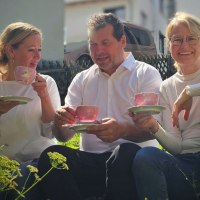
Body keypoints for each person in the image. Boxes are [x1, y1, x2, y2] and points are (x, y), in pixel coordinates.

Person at [37, 13, 162, 200]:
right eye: (93, 44)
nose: (98, 50)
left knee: (125, 151)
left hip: (129, 161)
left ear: (122, 41)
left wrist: (121, 131)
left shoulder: (145, 74)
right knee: (51, 155)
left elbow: (155, 129)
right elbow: (64, 136)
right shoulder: (82, 79)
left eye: (105, 42)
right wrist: (60, 121)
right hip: (90, 160)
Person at [130, 12, 200, 200]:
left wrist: (189, 92)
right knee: (146, 156)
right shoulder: (167, 87)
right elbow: (178, 148)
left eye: (191, 38)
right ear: (169, 45)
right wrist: (154, 127)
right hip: (186, 163)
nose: (184, 46)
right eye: (177, 40)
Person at [0, 22, 60, 199]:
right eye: (31, 50)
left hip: (39, 161)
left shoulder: (46, 83)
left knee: (21, 179)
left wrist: (44, 96)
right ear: (11, 51)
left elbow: (50, 131)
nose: (38, 56)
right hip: (5, 164)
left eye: (39, 50)